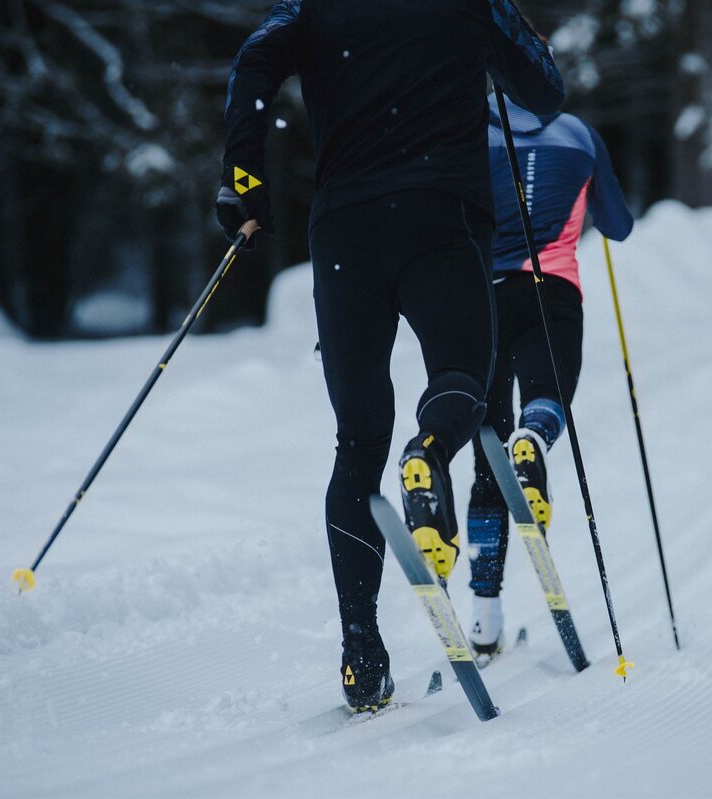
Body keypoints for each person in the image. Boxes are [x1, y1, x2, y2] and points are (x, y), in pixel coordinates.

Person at [214, 0, 564, 712]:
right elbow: (545, 91)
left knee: (357, 438)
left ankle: (360, 653)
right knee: (464, 372)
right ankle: (430, 454)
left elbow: (254, 59)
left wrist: (244, 177)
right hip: (441, 215)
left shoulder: (308, 9)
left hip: (344, 232)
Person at [466, 93, 633, 658]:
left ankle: (484, 616)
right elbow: (618, 225)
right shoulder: (579, 135)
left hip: (484, 296)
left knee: (486, 447)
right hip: (552, 289)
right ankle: (534, 440)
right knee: (547, 396)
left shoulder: (467, 127)